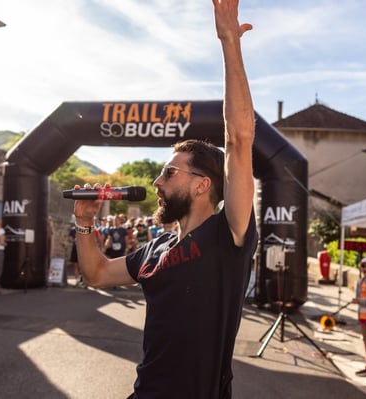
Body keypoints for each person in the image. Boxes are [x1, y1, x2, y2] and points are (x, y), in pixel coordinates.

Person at [73, 1, 257, 396]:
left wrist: (229, 43)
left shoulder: (228, 236)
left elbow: (239, 140)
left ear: (202, 184)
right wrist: (84, 222)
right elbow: (97, 274)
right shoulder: (154, 250)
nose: (157, 181)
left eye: (169, 173)